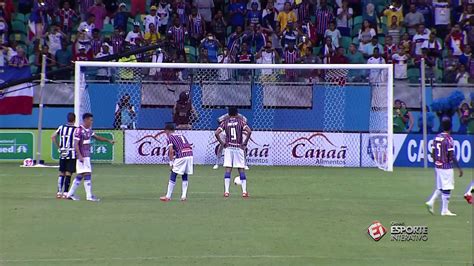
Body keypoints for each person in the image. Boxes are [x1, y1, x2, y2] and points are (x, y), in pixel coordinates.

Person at [67, 113, 115, 201]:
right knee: (87, 174)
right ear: (85, 120)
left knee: (81, 175)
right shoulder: (79, 130)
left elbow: (97, 137)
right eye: (91, 120)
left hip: (86, 156)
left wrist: (108, 140)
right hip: (83, 156)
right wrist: (80, 155)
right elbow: (75, 144)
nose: (92, 122)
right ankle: (89, 196)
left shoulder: (88, 130)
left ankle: (70, 194)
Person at [425, 118, 463, 216]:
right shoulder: (449, 139)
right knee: (447, 187)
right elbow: (451, 155)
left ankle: (431, 202)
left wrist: (436, 163)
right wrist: (459, 168)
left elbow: (432, 152)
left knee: (441, 186)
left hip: (438, 166)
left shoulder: (437, 137)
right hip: (446, 167)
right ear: (451, 127)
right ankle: (444, 210)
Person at [214, 107, 252, 198]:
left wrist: (222, 143)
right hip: (238, 148)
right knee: (241, 170)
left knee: (228, 169)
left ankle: (226, 192)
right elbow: (249, 131)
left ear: (229, 113)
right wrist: (245, 142)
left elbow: (216, 133)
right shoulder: (241, 121)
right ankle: (244, 192)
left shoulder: (225, 122)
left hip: (229, 148)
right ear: (237, 113)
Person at [160, 123, 193, 201]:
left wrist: (171, 163)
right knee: (185, 174)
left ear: (167, 130)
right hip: (190, 154)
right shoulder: (181, 135)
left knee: (173, 173)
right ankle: (183, 196)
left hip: (182, 155)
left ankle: (168, 196)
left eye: (165, 131)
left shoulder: (169, 138)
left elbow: (171, 151)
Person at [51, 113, 76, 199]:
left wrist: (59, 147)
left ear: (67, 119)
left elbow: (53, 137)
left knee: (62, 173)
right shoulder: (76, 129)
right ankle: (65, 192)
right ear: (74, 120)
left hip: (63, 153)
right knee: (69, 173)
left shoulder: (61, 127)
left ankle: (58, 192)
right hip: (72, 154)